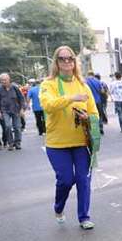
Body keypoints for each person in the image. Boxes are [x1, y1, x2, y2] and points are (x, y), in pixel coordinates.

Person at [39, 46, 99, 229]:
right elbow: (48, 105)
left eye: (70, 58)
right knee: (65, 180)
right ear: (56, 62)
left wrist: (87, 117)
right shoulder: (48, 84)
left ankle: (84, 217)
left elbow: (94, 113)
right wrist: (71, 98)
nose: (67, 62)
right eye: (62, 59)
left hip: (81, 142)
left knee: (83, 179)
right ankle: (58, 207)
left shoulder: (83, 85)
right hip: (57, 144)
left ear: (75, 61)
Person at [0, 73, 25, 150]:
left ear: (9, 79)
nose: (3, 82)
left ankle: (17, 142)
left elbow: (21, 98)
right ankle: (10, 143)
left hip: (16, 110)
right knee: (7, 126)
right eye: (2, 80)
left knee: (17, 127)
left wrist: (22, 109)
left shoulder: (15, 88)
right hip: (5, 111)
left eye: (5, 80)